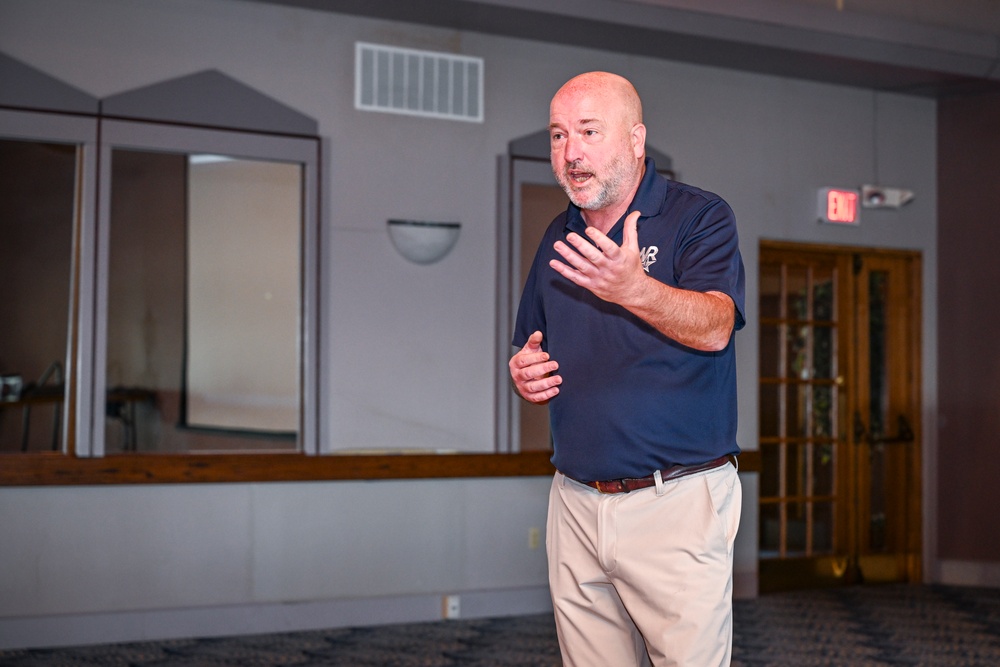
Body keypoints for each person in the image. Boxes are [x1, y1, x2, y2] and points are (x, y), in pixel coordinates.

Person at [509, 71, 746, 666]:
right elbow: (529, 346)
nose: (571, 152)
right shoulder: (557, 236)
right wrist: (523, 371)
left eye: (589, 131)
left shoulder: (699, 218)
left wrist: (635, 290)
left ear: (636, 140)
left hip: (677, 504)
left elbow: (716, 326)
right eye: (559, 136)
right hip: (575, 502)